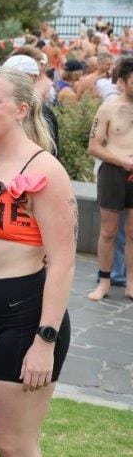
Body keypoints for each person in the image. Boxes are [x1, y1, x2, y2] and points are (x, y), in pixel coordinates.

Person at [0, 68, 74, 457]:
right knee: (11, 435)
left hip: (24, 317)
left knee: (13, 445)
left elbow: (63, 261)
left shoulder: (46, 172)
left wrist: (45, 340)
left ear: (21, 109)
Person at [87, 56, 133, 301]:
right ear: (123, 82)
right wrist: (121, 161)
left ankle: (131, 282)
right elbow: (93, 146)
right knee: (108, 230)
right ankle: (104, 280)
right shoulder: (108, 108)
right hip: (113, 173)